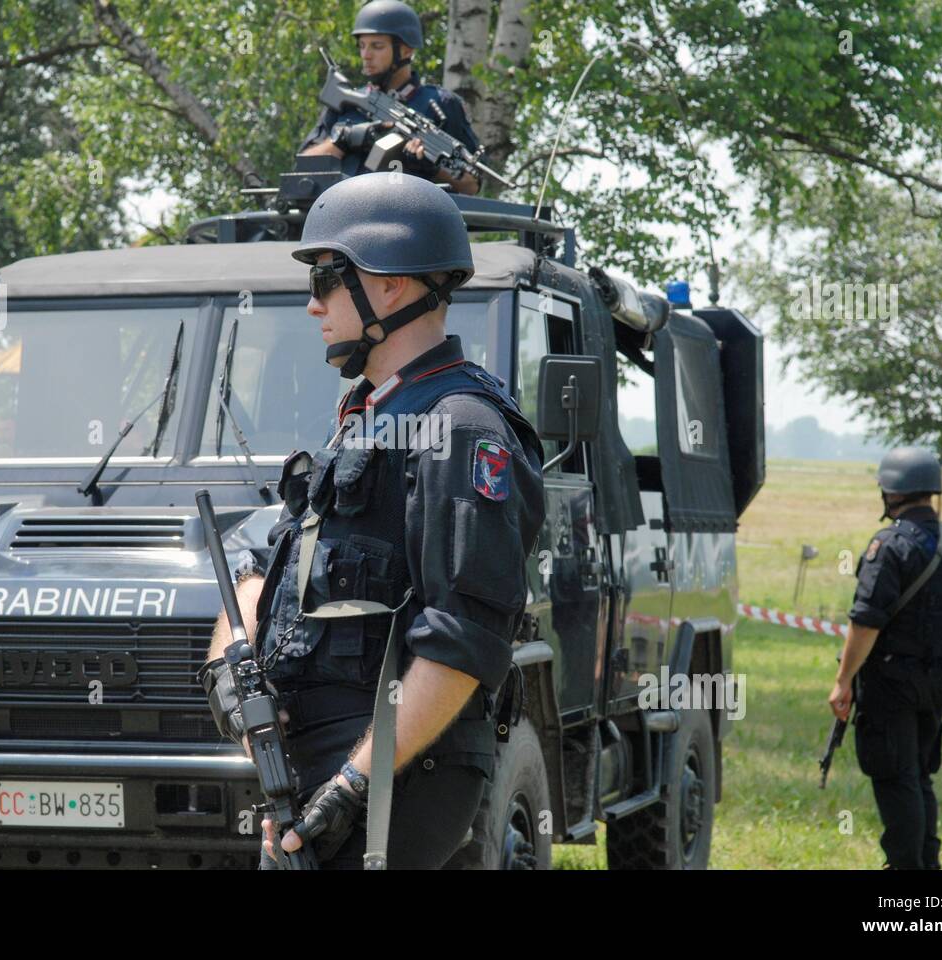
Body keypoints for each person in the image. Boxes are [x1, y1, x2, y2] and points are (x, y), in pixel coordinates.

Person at [198, 172, 544, 869]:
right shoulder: (370, 417)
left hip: (399, 776)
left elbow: (464, 639)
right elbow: (270, 565)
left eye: (328, 277)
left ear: (389, 284)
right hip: (315, 774)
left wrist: (353, 785)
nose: (312, 304)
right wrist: (231, 677)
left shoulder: (461, 426)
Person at [828, 447, 942, 869]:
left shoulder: (888, 545)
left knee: (897, 780)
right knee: (918, 778)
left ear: (891, 491)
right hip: (939, 682)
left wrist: (843, 681)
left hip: (892, 685)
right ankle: (927, 865)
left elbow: (865, 622)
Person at [299, 0, 482, 195]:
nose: (366, 55)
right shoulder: (348, 102)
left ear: (406, 50)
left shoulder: (440, 104)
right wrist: (344, 138)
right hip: (345, 216)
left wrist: (432, 168)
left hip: (411, 219)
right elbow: (303, 166)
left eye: (377, 46)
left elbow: (472, 185)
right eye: (362, 46)